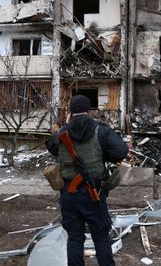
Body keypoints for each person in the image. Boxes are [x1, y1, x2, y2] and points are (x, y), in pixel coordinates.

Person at [46, 95, 128, 266]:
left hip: (69, 194)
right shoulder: (100, 130)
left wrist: (66, 126)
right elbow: (121, 151)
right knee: (101, 238)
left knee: (75, 238)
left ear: (70, 112)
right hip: (93, 194)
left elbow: (52, 147)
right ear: (89, 110)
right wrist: (104, 153)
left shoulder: (63, 132)